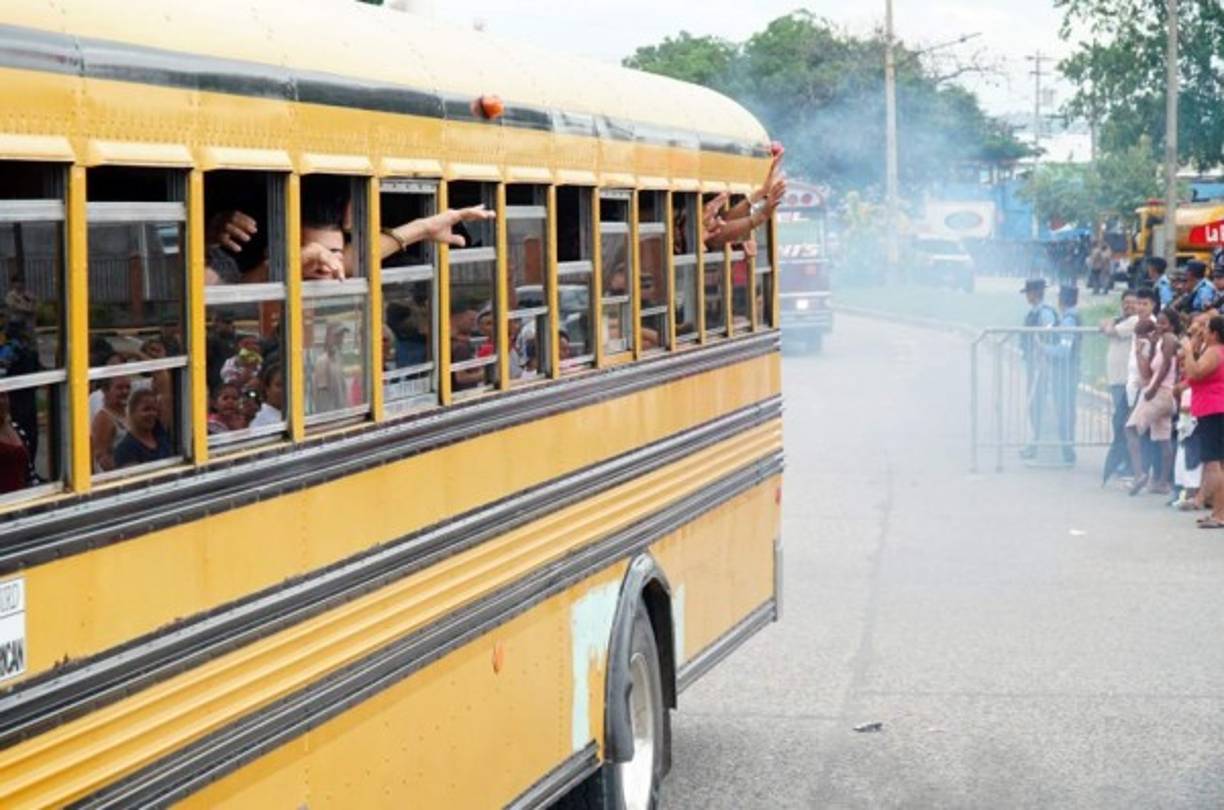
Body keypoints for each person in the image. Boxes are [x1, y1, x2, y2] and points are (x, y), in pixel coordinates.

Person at [1125, 309, 1180, 494]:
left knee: (1131, 428)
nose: (1159, 326)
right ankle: (1162, 483)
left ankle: (1139, 474)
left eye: (1163, 323)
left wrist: (1154, 388)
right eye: (1159, 322)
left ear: (1172, 325)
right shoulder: (1161, 342)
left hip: (1160, 393)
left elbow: (1165, 366)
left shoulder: (1170, 338)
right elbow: (1150, 370)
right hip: (1165, 395)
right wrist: (1146, 348)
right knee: (1163, 439)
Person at [1181, 315, 1224, 528]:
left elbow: (1196, 372)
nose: (1202, 331)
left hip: (1213, 410)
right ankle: (1214, 509)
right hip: (1213, 409)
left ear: (1215, 334)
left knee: (1214, 464)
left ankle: (1219, 514)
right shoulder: (1215, 351)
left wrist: (1189, 350)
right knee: (1212, 463)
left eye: (1206, 328)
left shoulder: (1215, 352)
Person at [1101, 290, 1139, 483]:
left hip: (1126, 380)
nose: (1129, 306)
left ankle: (1128, 463)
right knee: (1120, 421)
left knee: (1124, 422)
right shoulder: (1122, 320)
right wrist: (1109, 323)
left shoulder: (1134, 322)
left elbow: (1108, 329)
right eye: (1126, 303)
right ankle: (1124, 461)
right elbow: (1103, 324)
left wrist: (1110, 324)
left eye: (1133, 303)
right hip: (1116, 379)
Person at [1019, 278, 1059, 460]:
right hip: (1034, 365)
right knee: (1035, 406)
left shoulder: (1045, 314)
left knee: (1039, 406)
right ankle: (1036, 443)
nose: (1027, 296)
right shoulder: (1035, 312)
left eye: (1028, 292)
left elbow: (1048, 337)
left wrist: (1043, 362)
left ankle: (1040, 445)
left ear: (1035, 293)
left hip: (1042, 367)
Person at [1046, 285, 1083, 465]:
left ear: (1061, 300)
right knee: (1066, 410)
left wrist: (1043, 349)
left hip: (1065, 371)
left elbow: (1063, 350)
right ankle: (1067, 447)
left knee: (1064, 410)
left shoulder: (1069, 320)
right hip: (1068, 370)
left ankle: (1067, 449)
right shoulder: (1070, 317)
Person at [113, 389, 174, 468]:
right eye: (146, 409)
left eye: (154, 409)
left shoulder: (160, 435)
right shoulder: (125, 449)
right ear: (132, 413)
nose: (152, 414)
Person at [0, 390, 38, 494]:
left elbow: (30, 473)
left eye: (5, 396)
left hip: (22, 500)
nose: (2, 402)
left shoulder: (17, 429)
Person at [90, 375, 131, 472]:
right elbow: (101, 457)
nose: (125, 392)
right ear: (105, 391)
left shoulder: (129, 412)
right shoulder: (104, 418)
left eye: (128, 387)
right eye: (119, 388)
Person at [311, 323, 350, 412]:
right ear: (328, 338)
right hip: (332, 417)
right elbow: (322, 398)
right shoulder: (322, 361)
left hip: (341, 413)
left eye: (342, 336)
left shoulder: (338, 359)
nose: (341, 339)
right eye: (337, 336)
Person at [250, 363, 285, 428]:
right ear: (267, 389)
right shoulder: (260, 420)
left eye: (287, 384)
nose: (284, 389)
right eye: (279, 385)